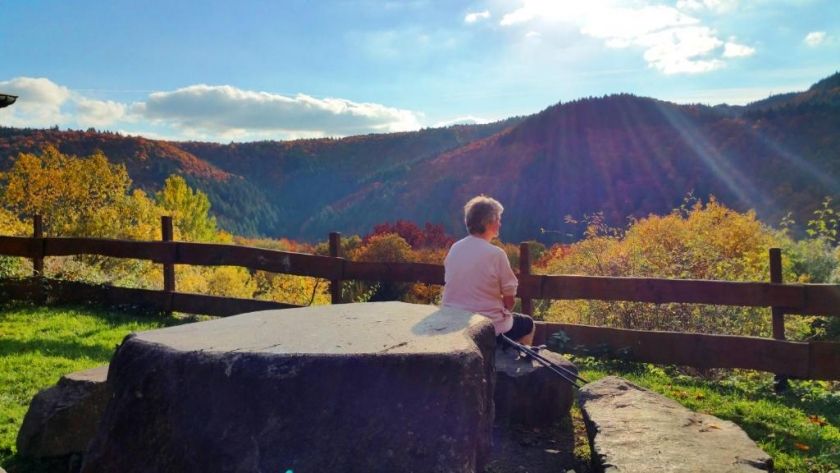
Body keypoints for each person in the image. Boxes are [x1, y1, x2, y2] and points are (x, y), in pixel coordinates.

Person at [441, 195, 535, 346]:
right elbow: (509, 300)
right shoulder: (496, 254)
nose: (500, 223)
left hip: (453, 321)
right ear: (488, 222)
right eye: (498, 219)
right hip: (487, 327)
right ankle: (518, 360)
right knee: (528, 324)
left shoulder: (455, 248)